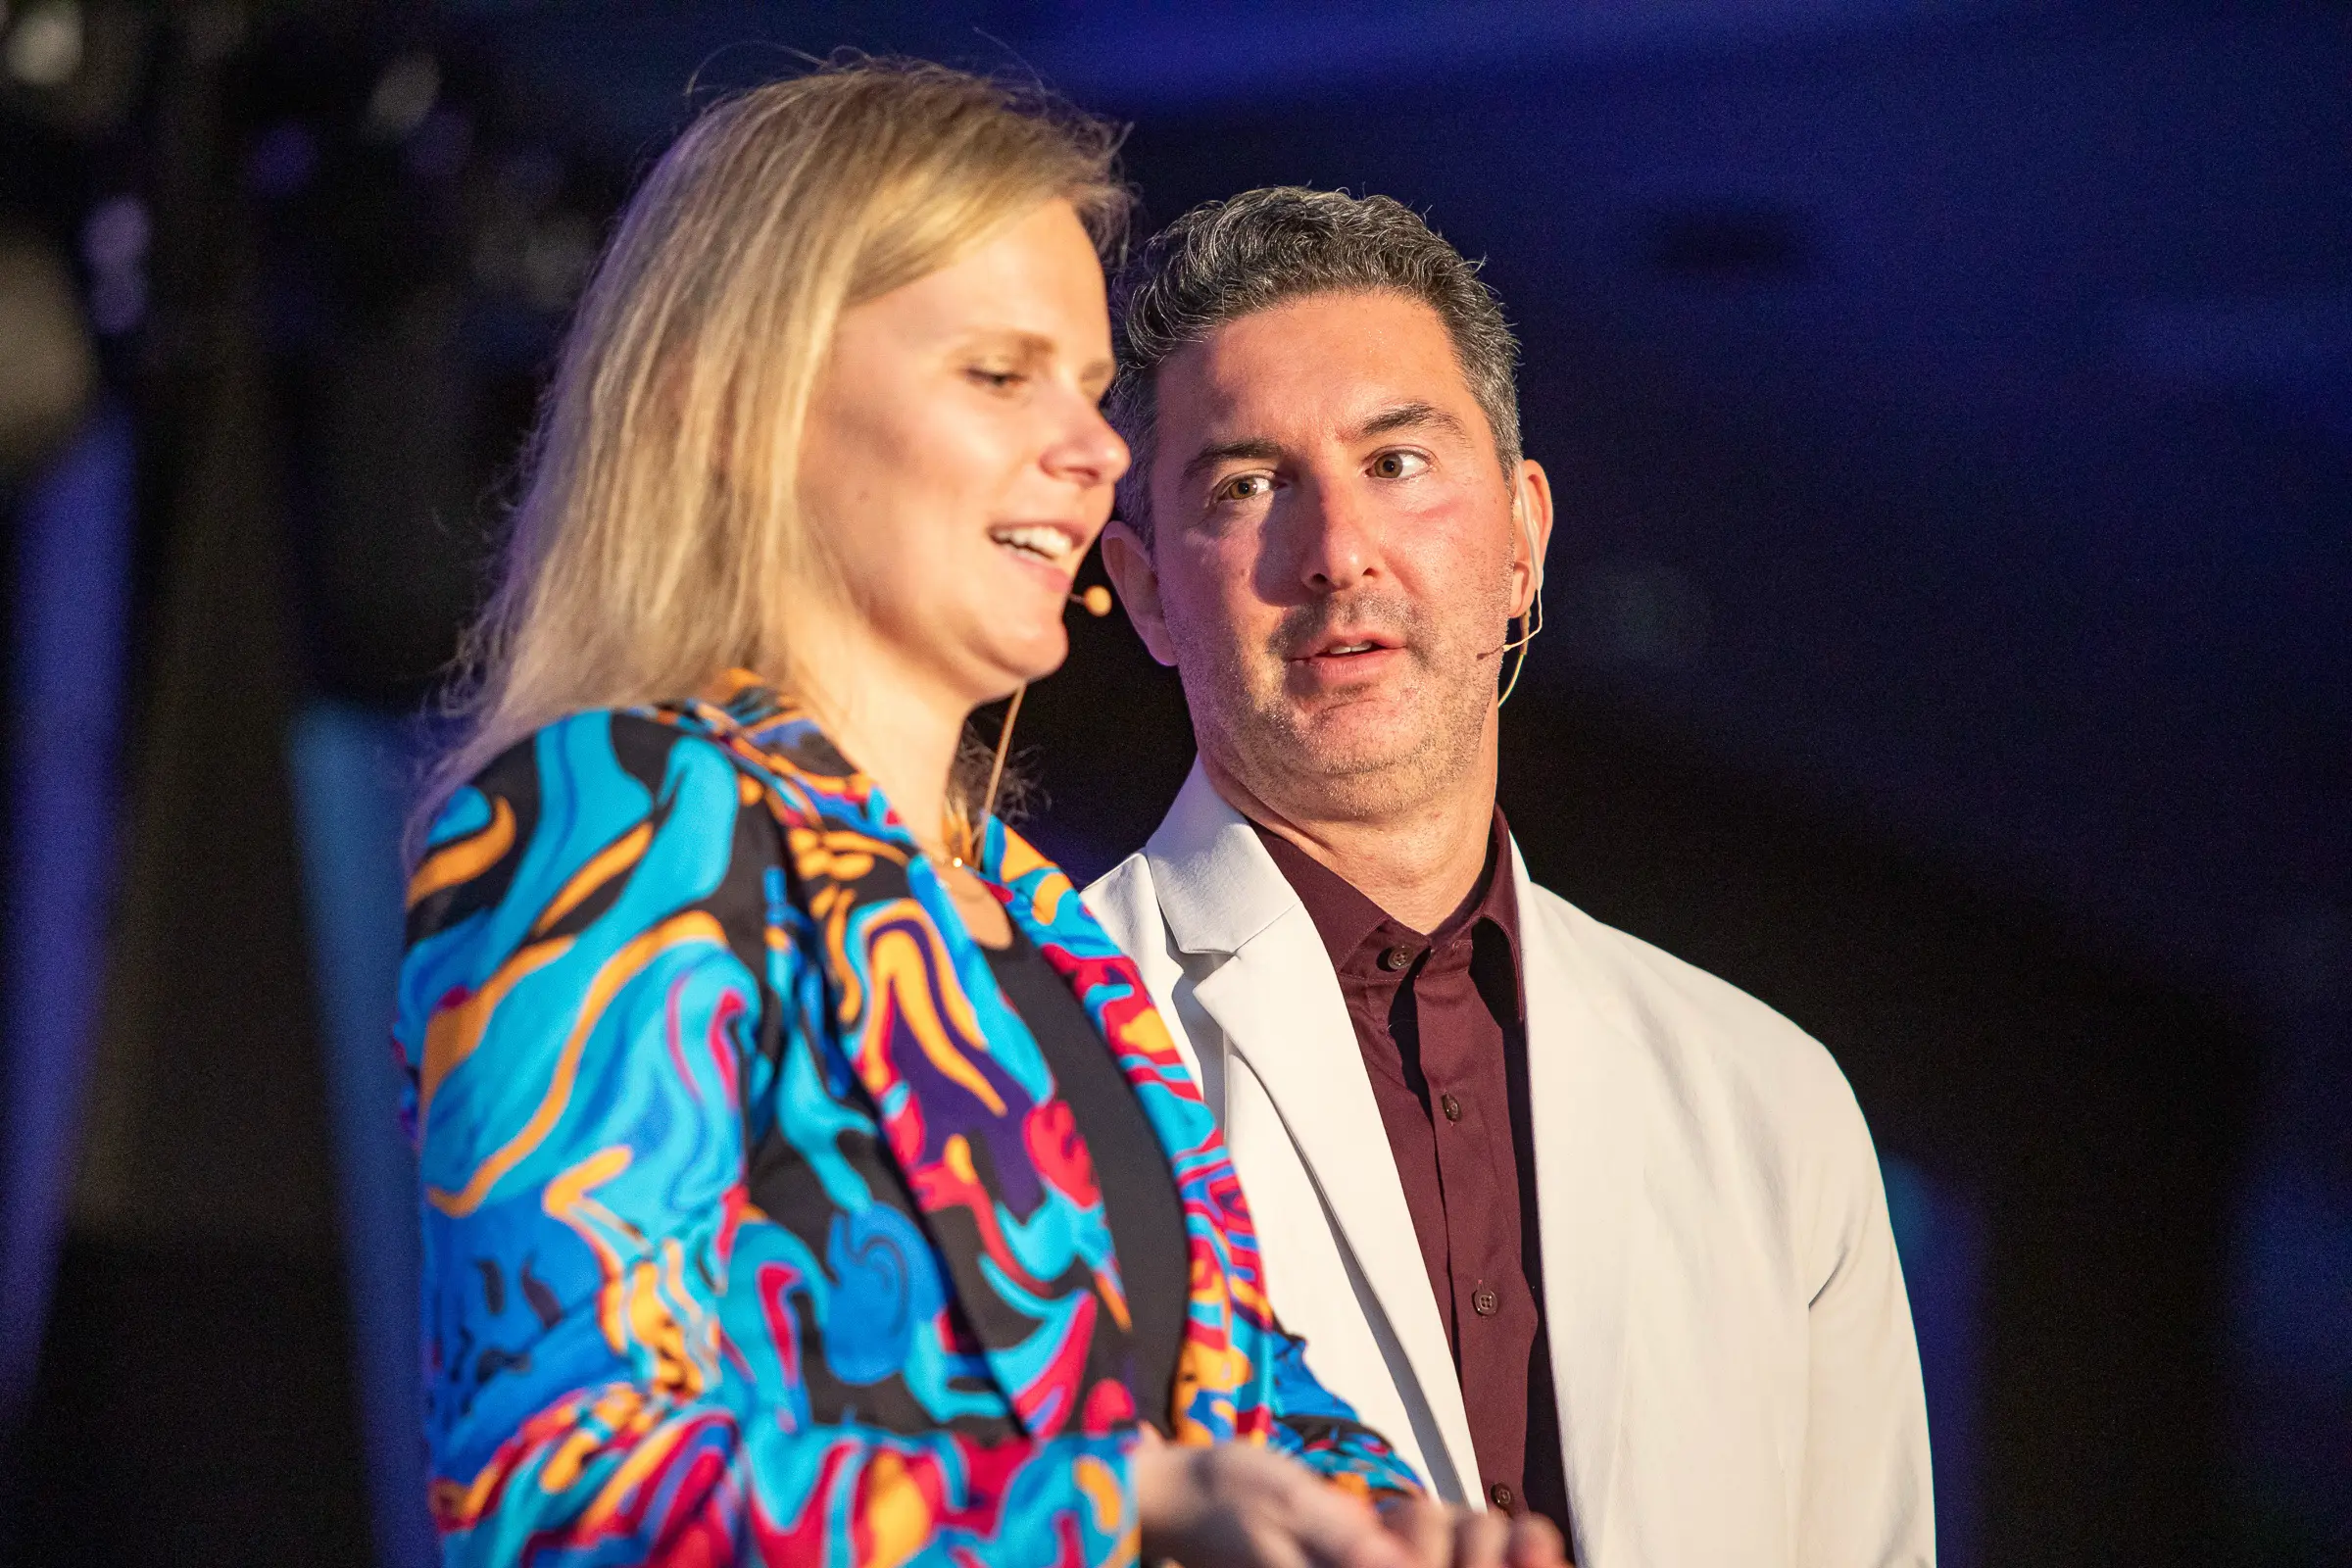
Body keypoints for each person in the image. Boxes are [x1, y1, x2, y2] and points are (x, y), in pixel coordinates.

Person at [394, 64, 1571, 1568]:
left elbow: (1232, 1394)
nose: (1099, 452)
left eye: (1089, 387)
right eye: (1002, 375)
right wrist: (1121, 1509)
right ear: (739, 403)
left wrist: (1396, 1528)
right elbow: (553, 1488)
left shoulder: (1033, 912)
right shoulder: (616, 812)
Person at [1084, 187, 1936, 1567]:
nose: (1337, 551)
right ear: (1143, 591)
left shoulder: (1769, 1098)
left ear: (1524, 539)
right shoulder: (1036, 1051)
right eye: (1248, 486)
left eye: (1397, 462)